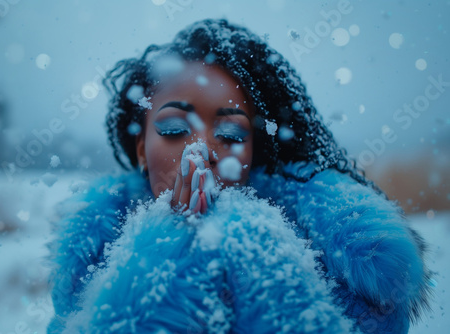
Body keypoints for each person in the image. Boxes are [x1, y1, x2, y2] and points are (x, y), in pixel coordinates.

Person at [45, 19, 431, 333]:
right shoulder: (92, 250)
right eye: (175, 129)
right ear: (142, 150)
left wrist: (246, 242)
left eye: (230, 134)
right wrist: (169, 239)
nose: (202, 150)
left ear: (251, 154)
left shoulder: (329, 250)